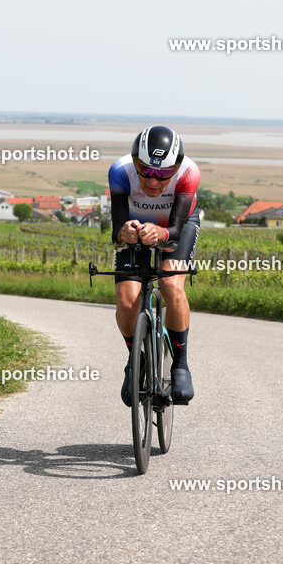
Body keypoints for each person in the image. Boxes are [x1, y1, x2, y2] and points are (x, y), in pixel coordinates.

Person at [108, 125, 200, 406]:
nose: (152, 181)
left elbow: (174, 230)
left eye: (163, 174)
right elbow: (116, 231)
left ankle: (180, 365)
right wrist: (124, 232)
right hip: (136, 227)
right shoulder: (120, 171)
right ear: (134, 161)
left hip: (177, 227)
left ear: (177, 168)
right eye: (145, 170)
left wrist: (160, 234)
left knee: (171, 284)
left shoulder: (188, 173)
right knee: (126, 301)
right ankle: (137, 359)